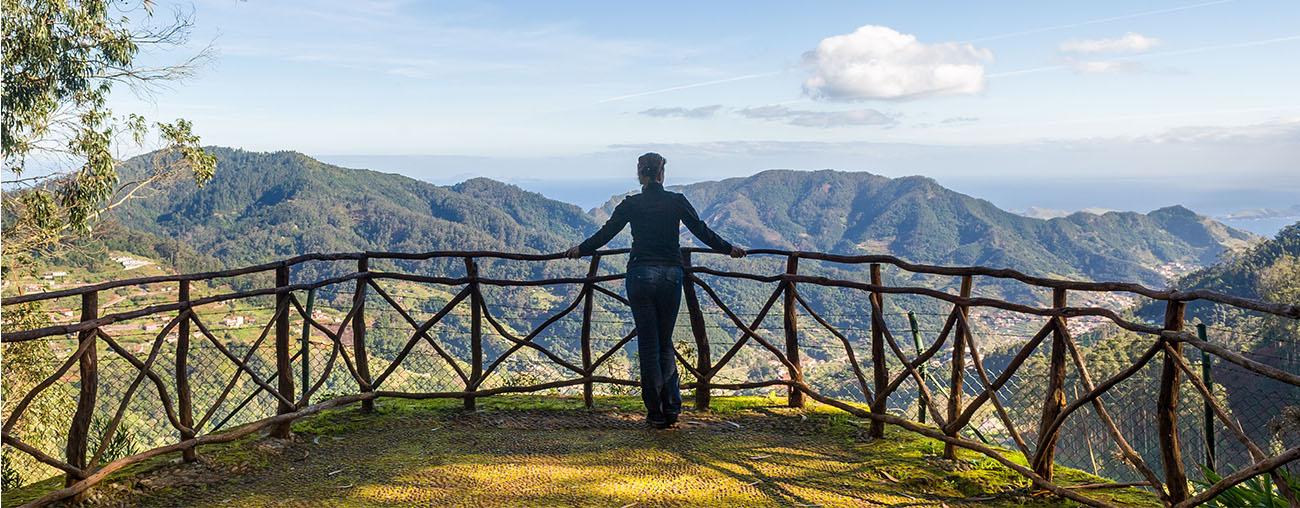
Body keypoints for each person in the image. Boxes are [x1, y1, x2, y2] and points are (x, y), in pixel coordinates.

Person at [564, 152, 745, 429]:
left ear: (640, 174)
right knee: (664, 342)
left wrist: (580, 250)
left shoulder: (631, 205)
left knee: (649, 346)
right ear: (662, 174)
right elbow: (702, 231)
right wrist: (728, 249)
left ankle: (655, 413)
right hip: (672, 274)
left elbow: (606, 233)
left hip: (640, 274)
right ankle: (671, 408)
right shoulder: (676, 202)